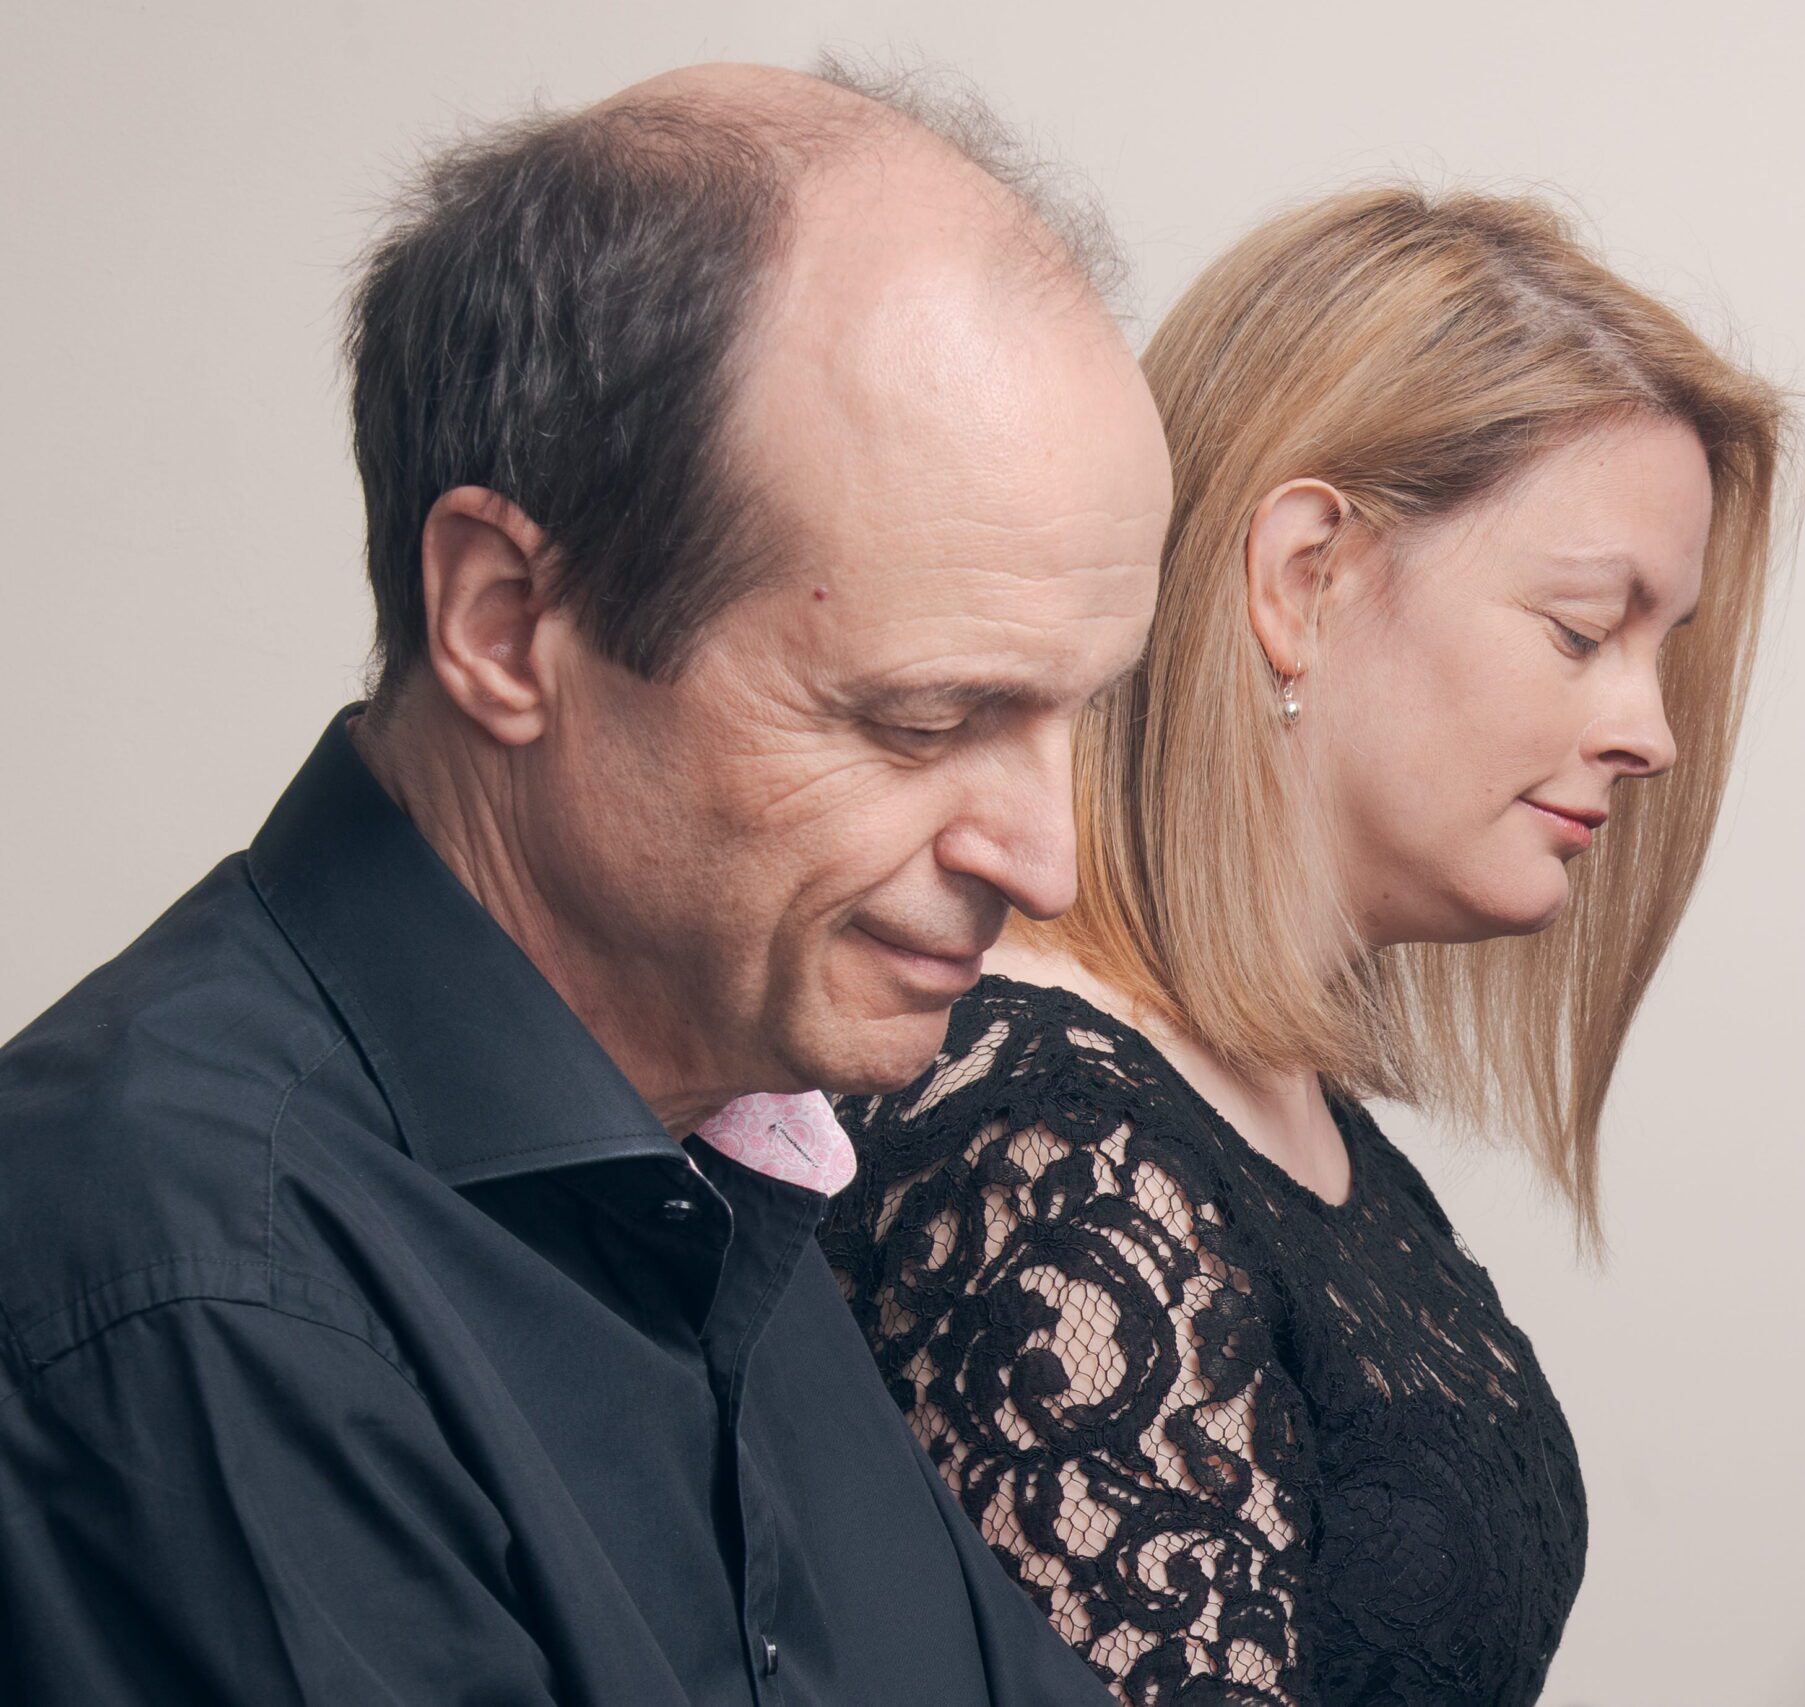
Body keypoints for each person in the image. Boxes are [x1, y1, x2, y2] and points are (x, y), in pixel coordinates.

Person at [0, 59, 1170, 1706]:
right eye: (924, 720)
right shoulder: (200, 1284)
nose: (1046, 859)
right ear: (502, 625)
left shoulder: (722, 1151)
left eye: (1077, 714)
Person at [821, 188, 1797, 1705]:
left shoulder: (1277, 1105)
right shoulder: (1050, 1152)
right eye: (1581, 630)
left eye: (1659, 651)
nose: (1651, 732)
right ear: (1304, 578)